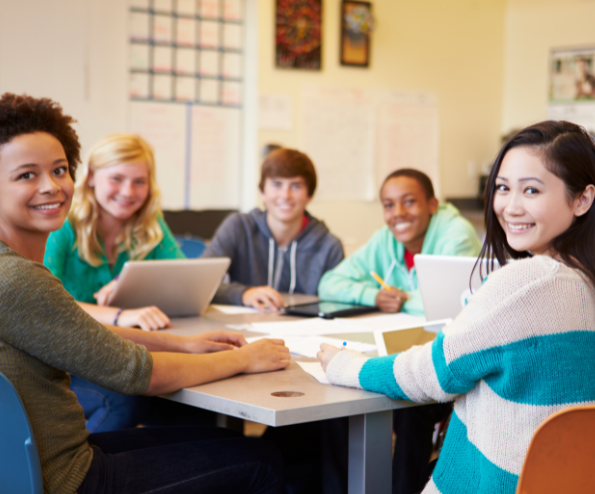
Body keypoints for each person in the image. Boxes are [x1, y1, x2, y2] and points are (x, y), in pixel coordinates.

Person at [0, 92, 290, 494]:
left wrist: (184, 345)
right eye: (26, 175)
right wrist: (244, 358)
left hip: (49, 461)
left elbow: (81, 330)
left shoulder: (14, 271)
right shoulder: (15, 279)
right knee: (263, 461)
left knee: (227, 441)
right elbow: (139, 373)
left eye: (59, 170)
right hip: (64, 479)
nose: (51, 186)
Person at [318, 120, 595, 494]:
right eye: (502, 188)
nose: (511, 207)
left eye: (531, 190)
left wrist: (345, 365)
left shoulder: (528, 282)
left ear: (583, 198)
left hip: (497, 482)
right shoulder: (582, 279)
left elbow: (431, 374)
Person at [43, 133, 198, 433]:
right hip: (69, 364)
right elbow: (48, 304)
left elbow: (187, 284)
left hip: (125, 352)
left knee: (190, 402)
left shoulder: (150, 225)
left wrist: (134, 288)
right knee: (126, 399)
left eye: (139, 181)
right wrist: (120, 313)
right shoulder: (62, 224)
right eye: (116, 178)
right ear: (90, 178)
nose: (128, 191)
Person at [318, 169, 481, 316]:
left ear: (432, 205)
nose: (398, 213)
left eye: (409, 201)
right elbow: (328, 284)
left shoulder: (457, 235)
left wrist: (397, 300)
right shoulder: (384, 237)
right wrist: (374, 296)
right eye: (389, 205)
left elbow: (451, 304)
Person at [202, 147, 344, 310]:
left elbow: (339, 299)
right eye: (277, 185)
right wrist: (242, 294)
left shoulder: (329, 247)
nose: (285, 195)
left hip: (307, 331)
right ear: (262, 191)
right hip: (244, 329)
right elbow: (199, 283)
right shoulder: (239, 228)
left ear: (309, 195)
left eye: (296, 186)